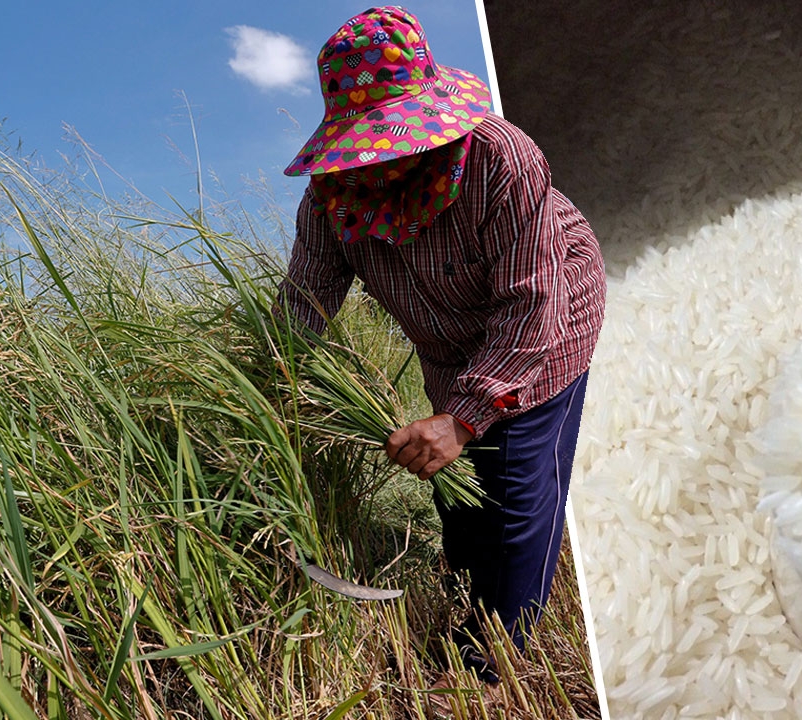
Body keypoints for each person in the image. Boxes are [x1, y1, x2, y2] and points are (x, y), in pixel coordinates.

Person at [274, 5, 606, 689]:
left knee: (514, 481)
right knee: (456, 490)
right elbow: (302, 306)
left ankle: (494, 665)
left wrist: (463, 416)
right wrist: (266, 383)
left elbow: (531, 305)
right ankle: (466, 603)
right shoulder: (333, 200)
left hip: (548, 322)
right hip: (448, 342)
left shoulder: (498, 158)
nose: (390, 158)